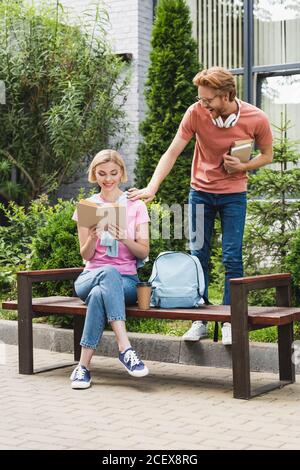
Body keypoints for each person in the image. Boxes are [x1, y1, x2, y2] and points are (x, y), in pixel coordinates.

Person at [128, 66, 273, 345]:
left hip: (234, 195)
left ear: (226, 95)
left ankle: (231, 320)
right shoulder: (196, 112)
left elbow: (267, 155)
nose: (203, 104)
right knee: (198, 256)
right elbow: (172, 152)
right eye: (201, 99)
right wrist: (152, 187)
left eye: (208, 100)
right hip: (200, 193)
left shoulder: (256, 118)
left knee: (232, 258)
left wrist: (244, 165)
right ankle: (201, 319)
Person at [70, 149, 150, 389]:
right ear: (94, 175)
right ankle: (125, 348)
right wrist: (92, 238)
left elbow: (144, 252)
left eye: (113, 173)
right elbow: (85, 255)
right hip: (89, 277)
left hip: (125, 282)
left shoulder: (136, 206)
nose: (108, 179)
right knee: (105, 274)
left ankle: (83, 368)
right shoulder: (87, 206)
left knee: (100, 293)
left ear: (122, 173)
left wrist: (125, 238)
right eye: (102, 174)